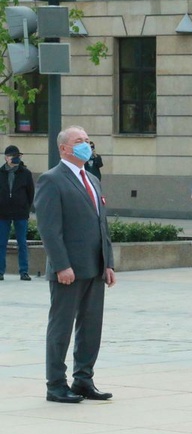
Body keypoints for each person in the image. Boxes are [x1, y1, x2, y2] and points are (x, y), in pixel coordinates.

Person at [34, 125, 116, 403]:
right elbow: (49, 229)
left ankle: (83, 380)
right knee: (61, 328)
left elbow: (101, 224)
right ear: (64, 149)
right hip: (68, 270)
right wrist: (60, 265)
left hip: (95, 267)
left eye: (88, 141)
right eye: (79, 141)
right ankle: (56, 384)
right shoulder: (51, 180)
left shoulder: (92, 179)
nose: (86, 145)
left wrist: (108, 263)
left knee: (91, 326)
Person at [0, 145, 35, 281]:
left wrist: (25, 207)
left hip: (20, 212)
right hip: (2, 213)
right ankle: (1, 271)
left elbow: (30, 193)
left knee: (22, 242)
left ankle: (24, 271)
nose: (16, 158)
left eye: (18, 156)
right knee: (2, 242)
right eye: (13, 156)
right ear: (6, 157)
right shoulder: (1, 172)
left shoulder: (25, 173)